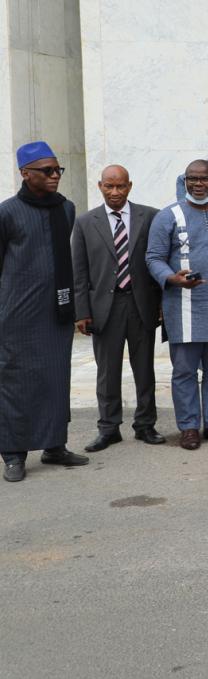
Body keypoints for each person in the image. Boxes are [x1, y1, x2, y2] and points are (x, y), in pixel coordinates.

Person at [1, 142, 87, 482]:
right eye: (47, 171)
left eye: (57, 170)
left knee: (55, 379)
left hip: (56, 312)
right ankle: (13, 454)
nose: (55, 176)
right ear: (25, 173)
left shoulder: (66, 208)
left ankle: (54, 446)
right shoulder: (7, 213)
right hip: (16, 316)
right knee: (16, 383)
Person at [146, 159, 208, 450]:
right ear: (184, 181)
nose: (198, 184)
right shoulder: (167, 216)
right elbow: (153, 257)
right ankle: (188, 427)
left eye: (204, 179)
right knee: (185, 372)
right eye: (192, 179)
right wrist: (171, 278)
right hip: (184, 307)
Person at [72, 165, 166, 451]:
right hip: (104, 308)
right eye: (109, 186)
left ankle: (145, 425)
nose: (115, 192)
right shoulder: (85, 222)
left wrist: (162, 303)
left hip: (141, 305)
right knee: (107, 371)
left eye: (121, 186)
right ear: (100, 186)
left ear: (130, 186)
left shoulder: (150, 217)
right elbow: (79, 271)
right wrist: (81, 311)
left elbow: (159, 261)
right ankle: (109, 428)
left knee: (145, 369)